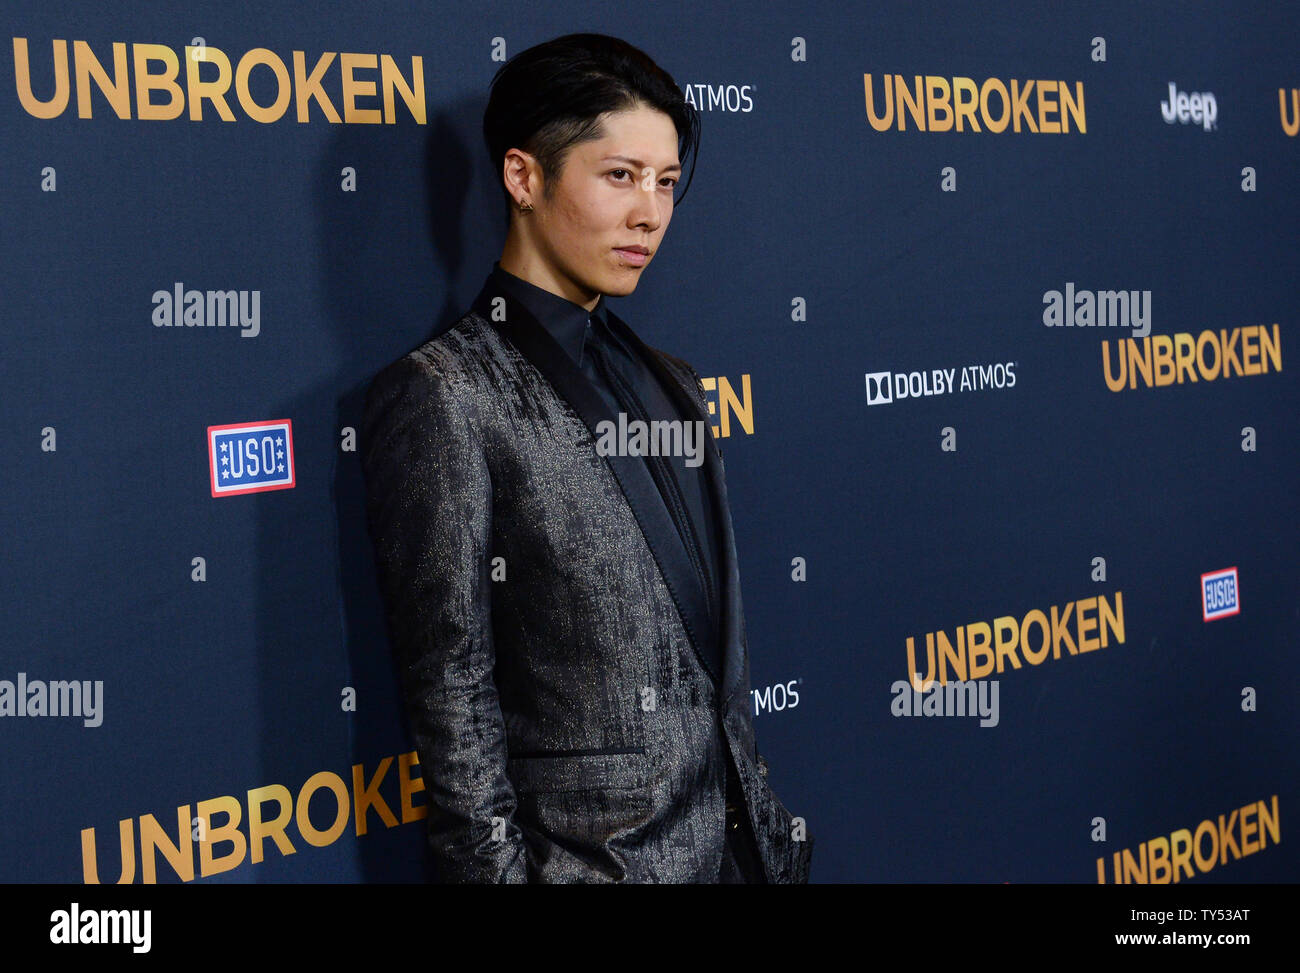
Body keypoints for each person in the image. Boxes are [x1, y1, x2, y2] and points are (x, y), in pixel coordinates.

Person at [361, 32, 812, 883]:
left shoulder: (673, 381)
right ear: (525, 177)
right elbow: (453, 700)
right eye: (620, 175)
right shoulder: (446, 394)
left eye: (666, 183)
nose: (651, 212)